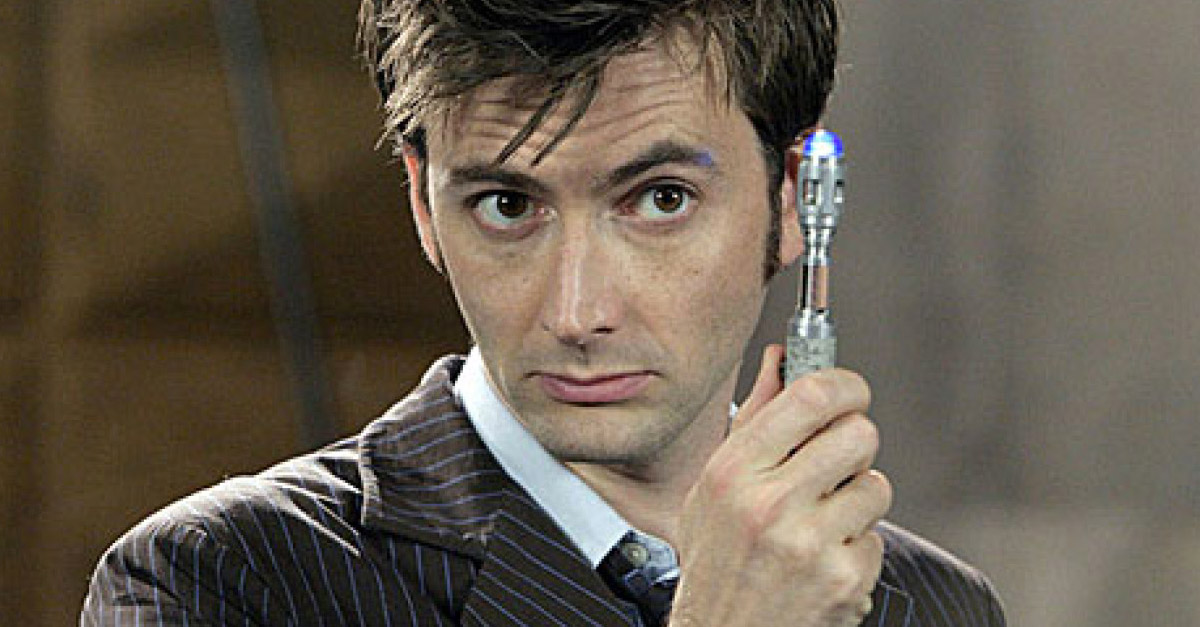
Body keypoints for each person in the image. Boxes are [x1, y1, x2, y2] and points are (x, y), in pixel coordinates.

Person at [82, 1, 1006, 625]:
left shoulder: (935, 607)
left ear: (795, 196)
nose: (576, 311)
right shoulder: (222, 581)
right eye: (508, 205)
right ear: (423, 205)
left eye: (661, 199)